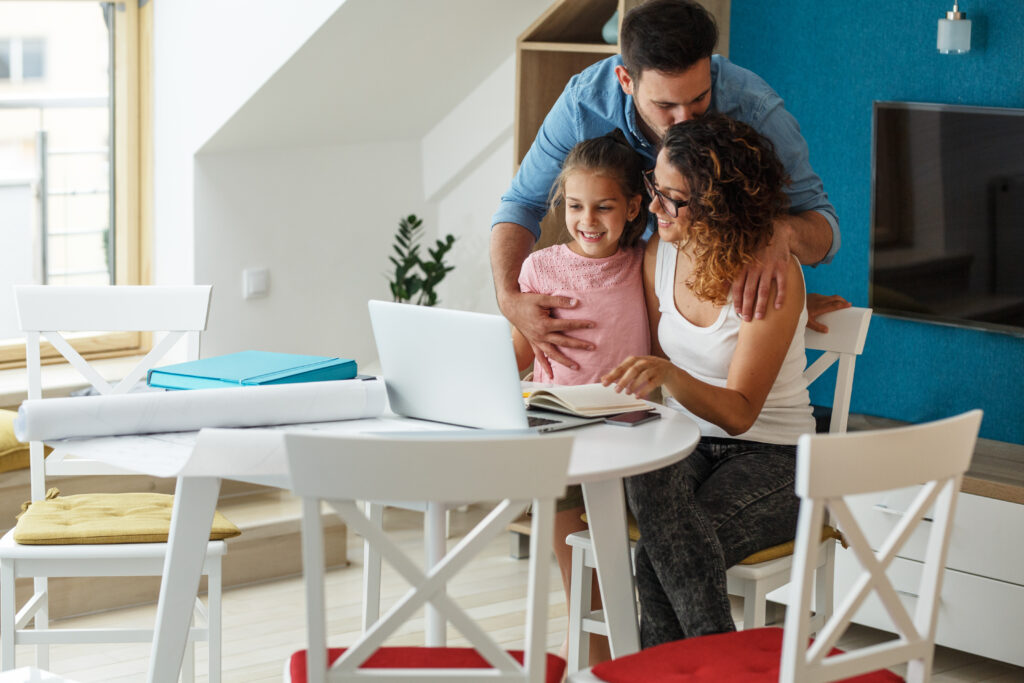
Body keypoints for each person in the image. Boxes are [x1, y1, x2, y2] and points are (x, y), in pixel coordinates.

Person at [491, 0, 848, 380]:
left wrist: (783, 234)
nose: (683, 121)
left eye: (698, 99)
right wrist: (510, 300)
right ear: (626, 81)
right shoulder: (584, 105)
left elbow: (825, 227)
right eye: (665, 105)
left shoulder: (755, 108)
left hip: (711, 303)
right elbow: (521, 203)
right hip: (637, 301)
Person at [601, 113, 817, 647]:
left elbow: (742, 412)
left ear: (718, 202)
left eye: (671, 198)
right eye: (655, 186)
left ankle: (700, 670)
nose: (654, 207)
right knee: (644, 474)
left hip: (775, 459)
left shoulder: (771, 274)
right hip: (690, 443)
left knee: (659, 557)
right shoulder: (661, 253)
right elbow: (649, 362)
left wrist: (670, 376)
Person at [510, 130, 650, 665]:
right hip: (559, 427)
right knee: (571, 544)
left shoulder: (645, 264)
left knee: (615, 548)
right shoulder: (540, 268)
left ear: (634, 206)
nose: (587, 220)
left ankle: (620, 646)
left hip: (631, 430)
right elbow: (522, 352)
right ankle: (587, 647)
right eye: (574, 206)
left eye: (603, 206)